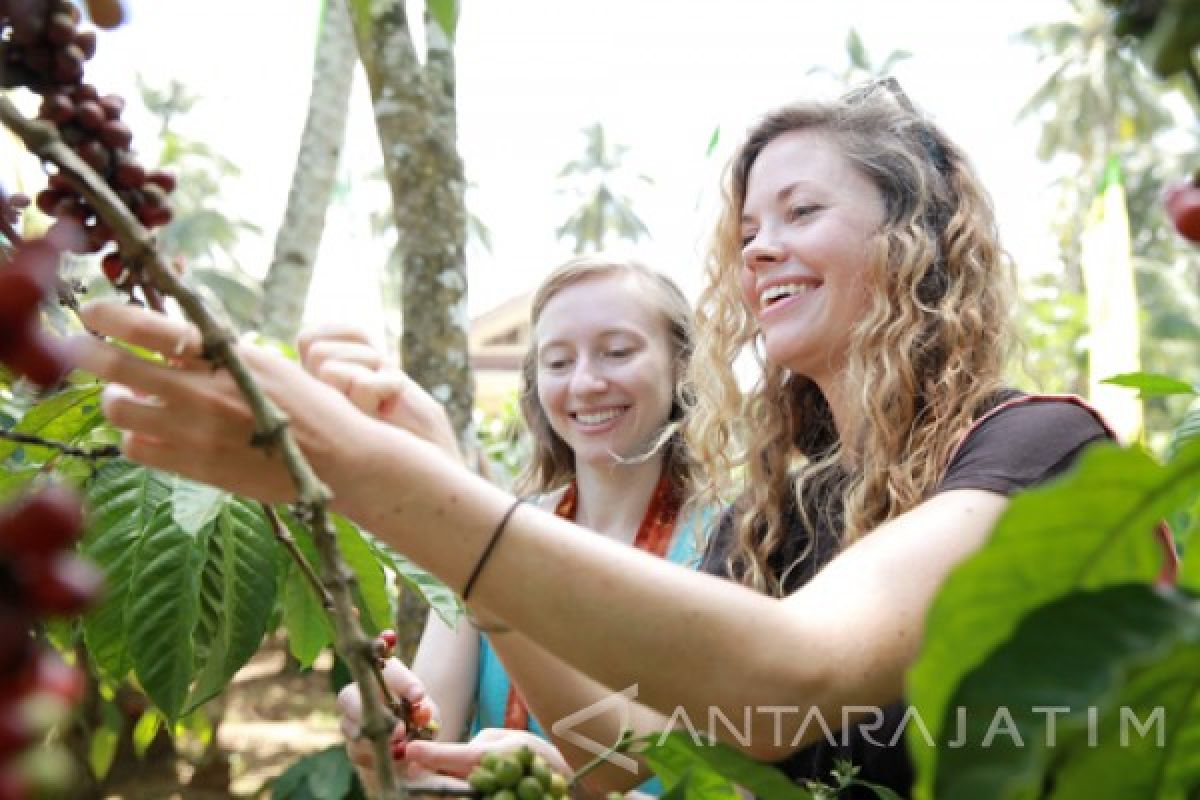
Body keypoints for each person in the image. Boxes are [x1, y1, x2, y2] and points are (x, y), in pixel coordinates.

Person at [69, 80, 1178, 798]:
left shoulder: (1038, 453)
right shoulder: (783, 522)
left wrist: (381, 477)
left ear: (917, 239)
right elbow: (657, 757)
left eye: (800, 212)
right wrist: (542, 765)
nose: (761, 251)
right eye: (748, 230)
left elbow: (792, 680)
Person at [300, 256, 712, 797]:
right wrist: (385, 740)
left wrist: (565, 787)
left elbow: (744, 781)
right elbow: (416, 776)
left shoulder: (738, 541)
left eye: (617, 352)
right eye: (558, 362)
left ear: (681, 365)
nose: (586, 383)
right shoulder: (496, 528)